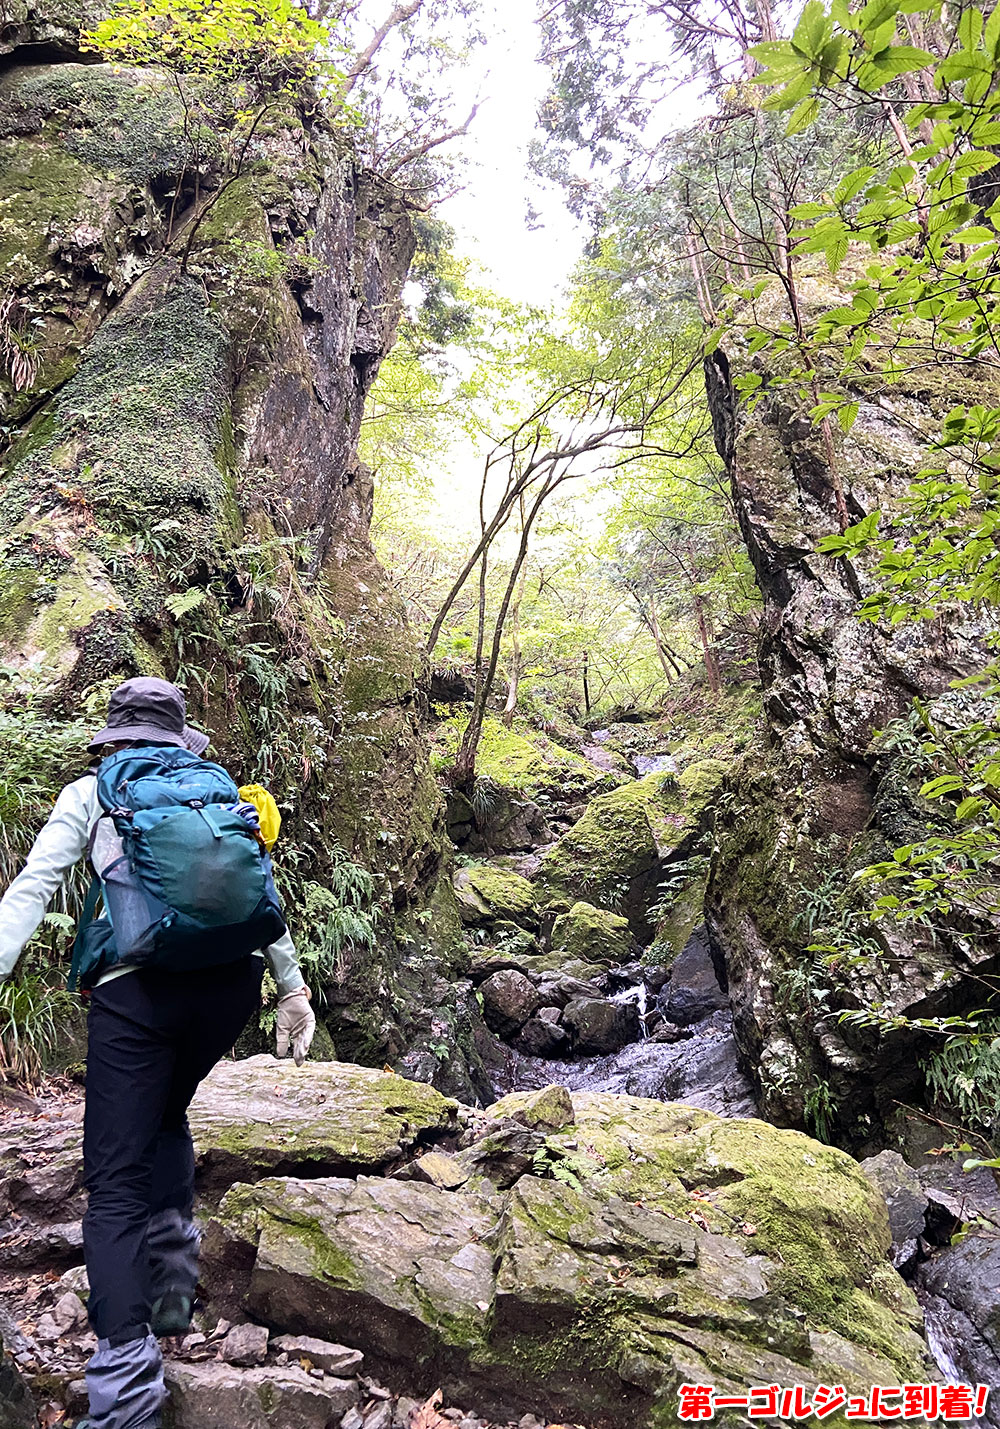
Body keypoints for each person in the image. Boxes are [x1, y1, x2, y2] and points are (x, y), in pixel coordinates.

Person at [0, 677, 316, 1429]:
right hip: (228, 988)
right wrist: (293, 990)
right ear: (179, 738)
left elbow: (32, 889)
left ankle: (125, 1398)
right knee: (169, 1112)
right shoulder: (217, 791)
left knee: (112, 1185)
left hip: (137, 994)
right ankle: (174, 1285)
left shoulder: (93, 793)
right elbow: (259, 894)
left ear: (115, 738)